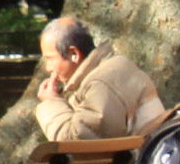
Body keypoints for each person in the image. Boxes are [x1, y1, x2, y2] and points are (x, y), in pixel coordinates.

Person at [32, 15, 166, 145]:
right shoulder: (107, 69)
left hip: (150, 160)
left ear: (74, 54)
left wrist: (51, 103)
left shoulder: (101, 83)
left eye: (50, 59)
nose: (48, 68)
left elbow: (77, 142)